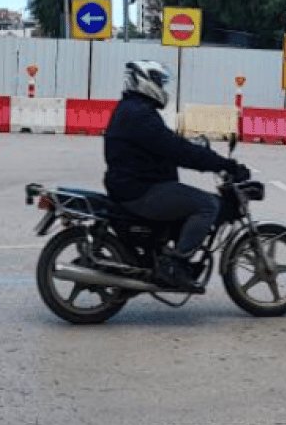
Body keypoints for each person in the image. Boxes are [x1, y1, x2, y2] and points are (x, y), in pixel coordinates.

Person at [103, 60, 250, 291]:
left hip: (133, 185)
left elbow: (168, 144)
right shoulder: (139, 114)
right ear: (145, 82)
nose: (162, 88)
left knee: (186, 200)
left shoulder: (134, 110)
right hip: (141, 191)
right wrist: (223, 164)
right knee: (207, 205)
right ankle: (175, 264)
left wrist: (200, 154)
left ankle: (165, 254)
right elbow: (175, 150)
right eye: (159, 82)